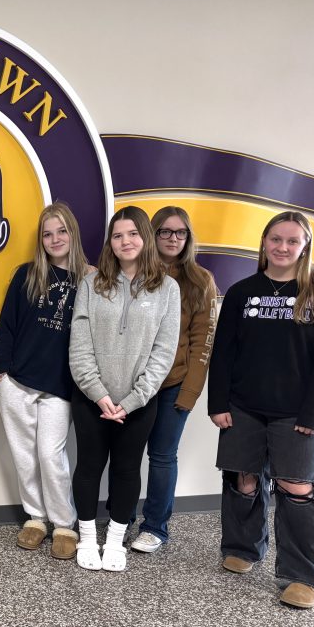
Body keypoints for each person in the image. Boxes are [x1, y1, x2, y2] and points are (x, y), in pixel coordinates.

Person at [209, 211, 314, 609]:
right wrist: (218, 403)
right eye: (276, 239)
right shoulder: (241, 292)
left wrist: (313, 417)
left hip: (296, 414)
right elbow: (223, 353)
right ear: (264, 242)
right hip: (243, 406)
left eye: (292, 241)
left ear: (305, 246)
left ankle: (304, 574)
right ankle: (242, 547)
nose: (283, 247)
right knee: (243, 480)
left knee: (296, 488)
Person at [68, 206, 180, 572]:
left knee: (127, 471)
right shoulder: (91, 284)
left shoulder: (167, 289)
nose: (125, 241)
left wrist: (131, 401)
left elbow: (164, 353)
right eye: (118, 236)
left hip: (139, 403)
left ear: (146, 238)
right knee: (88, 467)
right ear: (110, 243)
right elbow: (79, 345)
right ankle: (87, 537)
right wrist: (99, 394)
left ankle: (115, 539)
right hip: (91, 399)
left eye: (132, 233)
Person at [0, 202, 93, 560]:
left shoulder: (91, 280)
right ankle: (35, 519)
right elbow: (7, 326)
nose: (55, 239)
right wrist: (3, 370)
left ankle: (64, 524)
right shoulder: (26, 275)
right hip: (18, 381)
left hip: (61, 386)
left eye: (61, 231)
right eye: (47, 233)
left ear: (73, 234)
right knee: (24, 456)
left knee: (51, 456)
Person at [128, 207, 218, 553]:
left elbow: (203, 342)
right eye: (164, 232)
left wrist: (190, 393)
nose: (172, 239)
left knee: (163, 456)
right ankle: (122, 517)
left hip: (173, 384)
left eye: (179, 233)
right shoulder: (134, 273)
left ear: (188, 238)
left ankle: (155, 527)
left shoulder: (200, 281)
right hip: (133, 384)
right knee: (126, 455)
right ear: (152, 234)